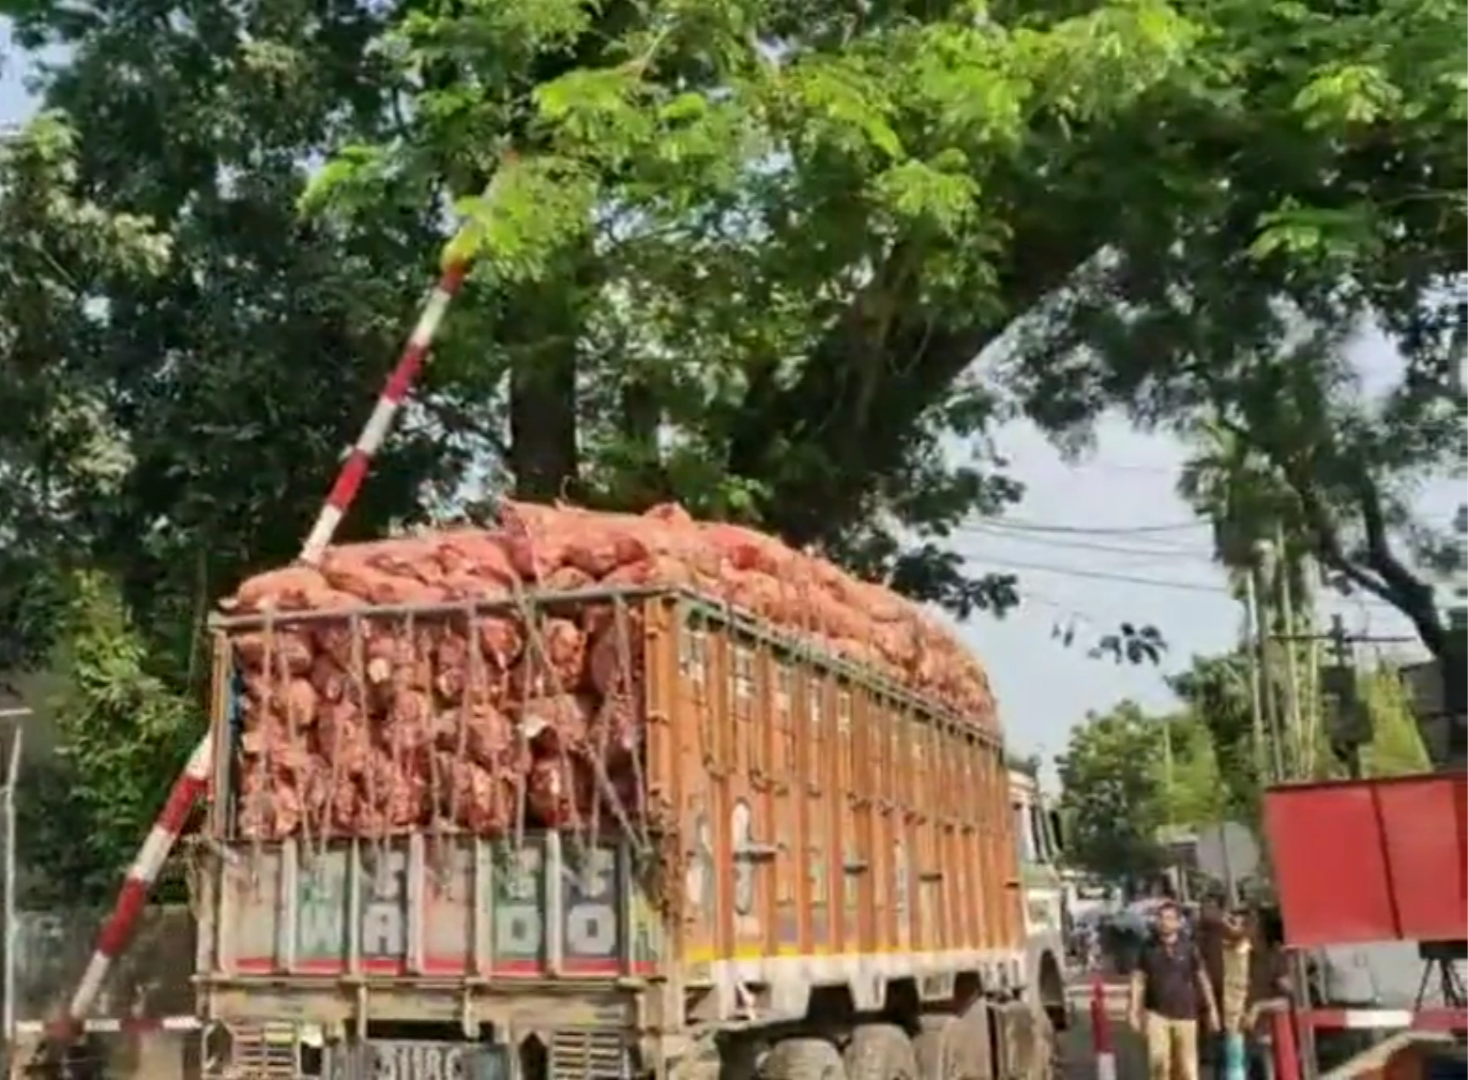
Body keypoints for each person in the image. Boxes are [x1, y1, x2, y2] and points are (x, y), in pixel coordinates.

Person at [1129, 900, 1220, 1080]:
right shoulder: (1147, 948)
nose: (1165, 922)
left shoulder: (1189, 947)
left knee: (1187, 1070)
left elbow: (1202, 979)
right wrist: (1133, 1011)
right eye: (1161, 918)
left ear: (1178, 922)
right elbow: (1138, 980)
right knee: (1159, 1067)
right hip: (1157, 1015)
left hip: (1186, 1015)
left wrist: (1213, 1010)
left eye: (1170, 918)